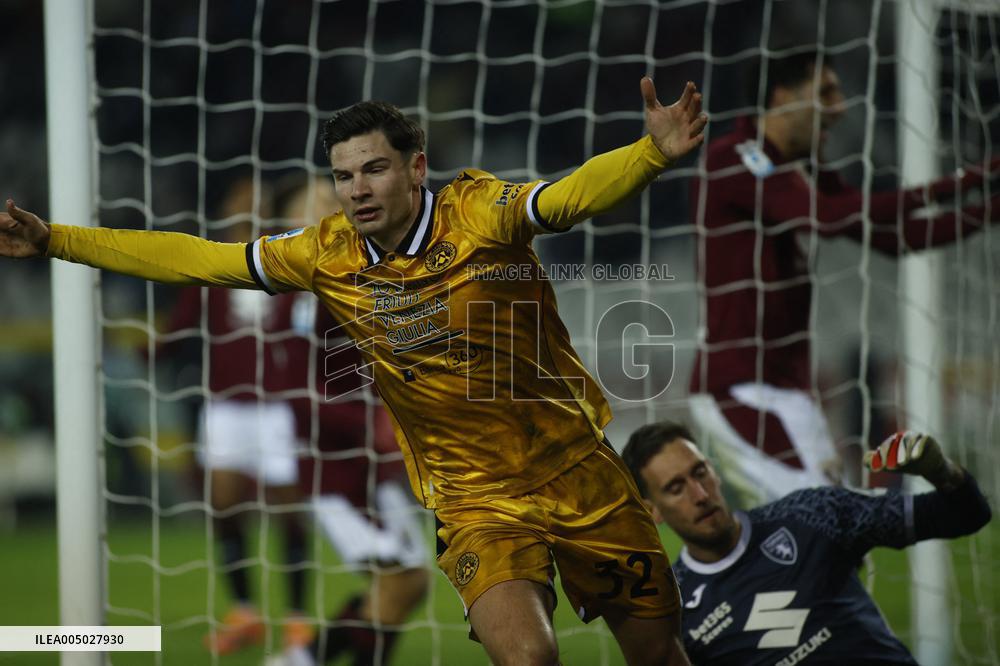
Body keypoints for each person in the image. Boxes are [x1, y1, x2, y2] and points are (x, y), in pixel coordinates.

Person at [0, 77, 707, 666]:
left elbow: (566, 196)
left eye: (374, 169)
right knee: (529, 658)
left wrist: (651, 153)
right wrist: (57, 239)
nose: (357, 189)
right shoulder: (323, 254)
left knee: (657, 656)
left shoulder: (480, 212)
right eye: (343, 175)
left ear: (416, 168)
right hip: (473, 501)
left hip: (578, 470)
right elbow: (197, 258)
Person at [687, 48, 1000, 507]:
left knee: (833, 539)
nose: (840, 107)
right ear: (782, 97)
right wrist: (979, 177)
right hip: (740, 388)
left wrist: (991, 206)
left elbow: (897, 237)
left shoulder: (799, 169)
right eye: (825, 93)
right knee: (817, 529)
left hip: (789, 387)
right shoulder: (735, 158)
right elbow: (831, 217)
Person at [621, 421, 992, 665]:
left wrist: (940, 471)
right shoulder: (672, 609)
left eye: (700, 472)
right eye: (676, 488)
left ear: (714, 471)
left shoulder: (811, 514)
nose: (700, 494)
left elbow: (966, 515)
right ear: (652, 510)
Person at [273, 174, 430, 666]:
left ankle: (303, 659)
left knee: (408, 583)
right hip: (333, 468)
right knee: (402, 582)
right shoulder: (303, 291)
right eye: (318, 205)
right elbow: (293, 390)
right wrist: (375, 424)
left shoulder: (356, 277)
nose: (334, 210)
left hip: (366, 463)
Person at [161, 178, 312, 654]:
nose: (248, 208)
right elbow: (180, 323)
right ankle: (245, 612)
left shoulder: (284, 259)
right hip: (225, 405)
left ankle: (296, 619)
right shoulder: (208, 263)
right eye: (239, 199)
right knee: (224, 507)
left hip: (279, 407)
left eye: (257, 202)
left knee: (290, 508)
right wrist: (147, 352)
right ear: (226, 207)